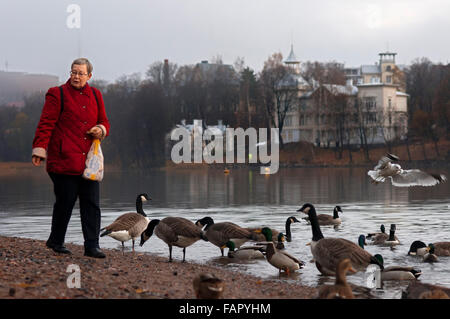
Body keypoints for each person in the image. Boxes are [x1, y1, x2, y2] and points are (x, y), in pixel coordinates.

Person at [32, 58, 110, 258]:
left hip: (89, 161)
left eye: (80, 73)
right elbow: (46, 123)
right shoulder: (57, 94)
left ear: (89, 76)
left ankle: (92, 246)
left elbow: (104, 122)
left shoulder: (96, 94)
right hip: (63, 159)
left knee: (91, 203)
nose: (76, 76)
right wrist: (39, 148)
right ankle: (56, 241)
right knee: (65, 202)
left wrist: (100, 130)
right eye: (73, 72)